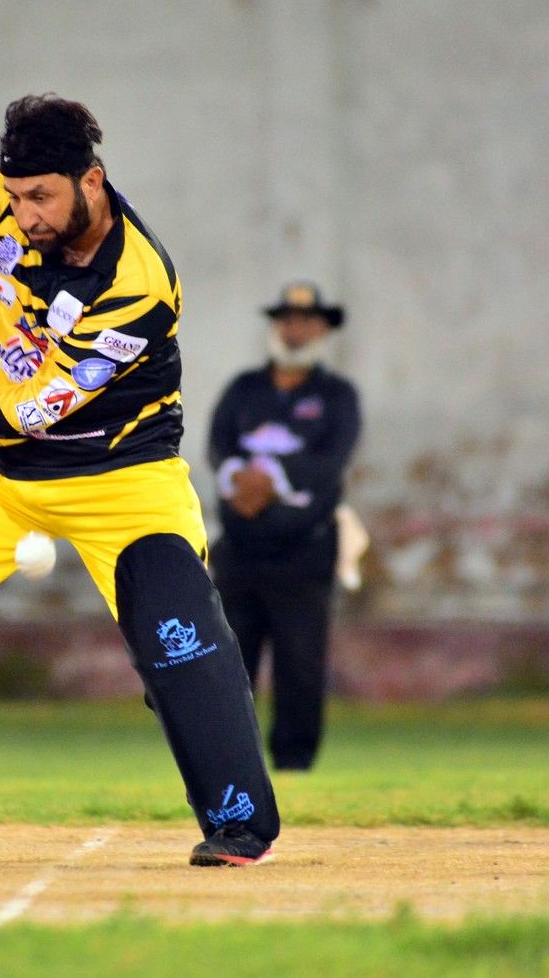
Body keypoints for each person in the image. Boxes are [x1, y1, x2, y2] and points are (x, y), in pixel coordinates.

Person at [0, 94, 279, 866]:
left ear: (92, 181)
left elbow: (35, 406)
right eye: (15, 197)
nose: (25, 214)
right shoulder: (5, 200)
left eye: (41, 196)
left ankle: (239, 820)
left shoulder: (139, 283)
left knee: (175, 623)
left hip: (124, 472)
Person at [208, 283, 361, 771]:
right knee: (230, 658)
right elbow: (218, 446)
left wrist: (271, 477)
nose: (295, 331)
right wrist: (240, 478)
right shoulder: (244, 389)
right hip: (242, 547)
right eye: (287, 320)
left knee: (300, 661)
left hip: (304, 550)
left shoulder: (337, 396)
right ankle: (231, 762)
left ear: (322, 330)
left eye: (306, 322)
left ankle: (294, 764)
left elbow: (331, 462)